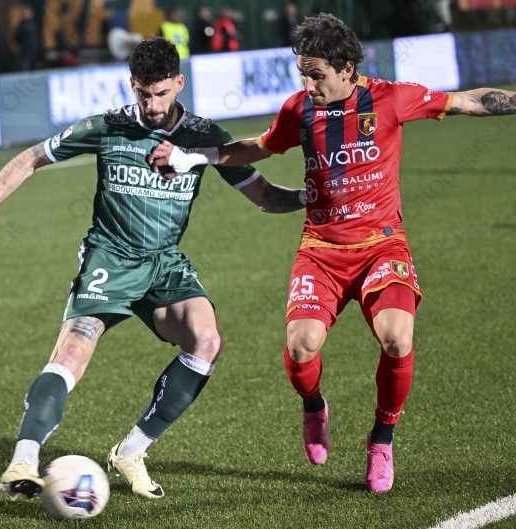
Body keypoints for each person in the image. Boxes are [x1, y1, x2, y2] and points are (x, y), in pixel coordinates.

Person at [148, 13, 516, 493]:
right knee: (301, 347)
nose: (308, 84)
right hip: (321, 249)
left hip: (382, 245)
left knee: (397, 338)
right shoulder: (299, 109)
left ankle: (381, 439)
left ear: (346, 68)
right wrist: (193, 156)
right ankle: (313, 405)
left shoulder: (391, 98)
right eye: (302, 73)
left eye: (316, 74)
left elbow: (468, 101)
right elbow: (257, 148)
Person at [0, 37, 305, 500]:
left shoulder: (203, 136)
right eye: (144, 93)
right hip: (110, 259)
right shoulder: (108, 127)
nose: (153, 105)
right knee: (71, 354)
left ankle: (131, 451)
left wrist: (312, 196)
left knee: (206, 341)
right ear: (131, 85)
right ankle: (23, 459)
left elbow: (266, 197)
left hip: (164, 264)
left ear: (179, 83)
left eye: (161, 93)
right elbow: (31, 157)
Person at [14, 4, 39, 71]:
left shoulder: (34, 24)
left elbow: (35, 37)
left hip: (34, 50)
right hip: (25, 51)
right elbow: (17, 38)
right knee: (26, 67)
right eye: (25, 13)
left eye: (28, 13)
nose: (26, 15)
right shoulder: (20, 25)